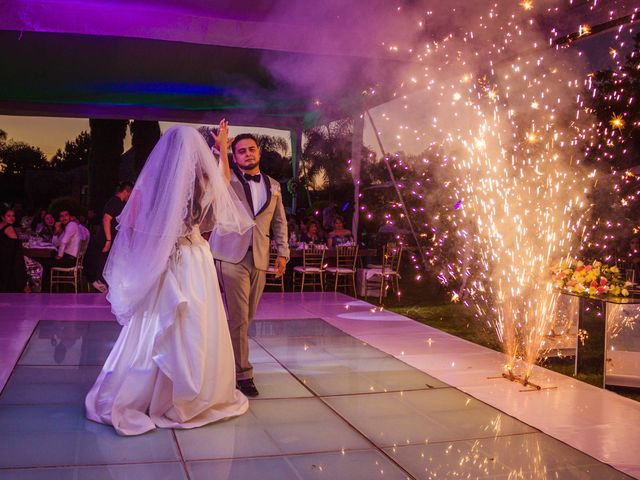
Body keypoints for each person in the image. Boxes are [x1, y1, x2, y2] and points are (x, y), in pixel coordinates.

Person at [85, 123, 254, 436]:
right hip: (195, 258)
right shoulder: (205, 182)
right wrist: (222, 150)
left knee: (156, 322)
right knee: (196, 322)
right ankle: (192, 392)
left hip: (167, 259)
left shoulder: (154, 184)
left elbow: (134, 224)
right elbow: (222, 192)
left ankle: (148, 391)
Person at [209, 133, 289, 398]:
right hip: (231, 256)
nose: (247, 154)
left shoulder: (274, 185)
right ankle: (243, 374)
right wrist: (219, 147)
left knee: (245, 318)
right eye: (241, 151)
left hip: (260, 258)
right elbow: (211, 171)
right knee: (240, 318)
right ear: (235, 156)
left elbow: (279, 222)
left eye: (251, 149)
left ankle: (225, 363)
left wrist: (283, 252)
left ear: (259, 153)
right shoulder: (227, 179)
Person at [84, 181, 133, 293]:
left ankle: (105, 286)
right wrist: (108, 240)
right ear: (126, 191)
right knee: (103, 262)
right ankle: (99, 285)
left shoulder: (120, 203)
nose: (130, 197)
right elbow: (106, 219)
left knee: (107, 262)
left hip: (111, 239)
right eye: (130, 194)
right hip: (105, 239)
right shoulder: (114, 202)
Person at [40, 209, 90, 292]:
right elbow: (56, 243)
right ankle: (57, 289)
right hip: (71, 258)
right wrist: (56, 231)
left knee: (45, 263)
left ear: (70, 216)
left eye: (66, 215)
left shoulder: (72, 225)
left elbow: (63, 241)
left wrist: (60, 255)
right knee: (48, 260)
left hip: (70, 260)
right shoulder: (68, 227)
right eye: (61, 216)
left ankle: (46, 291)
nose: (64, 218)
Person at [0, 207, 28, 292]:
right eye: (8, 216)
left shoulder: (1, 225)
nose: (12, 218)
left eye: (13, 216)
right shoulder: (9, 228)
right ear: (3, 217)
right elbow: (17, 247)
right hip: (8, 261)